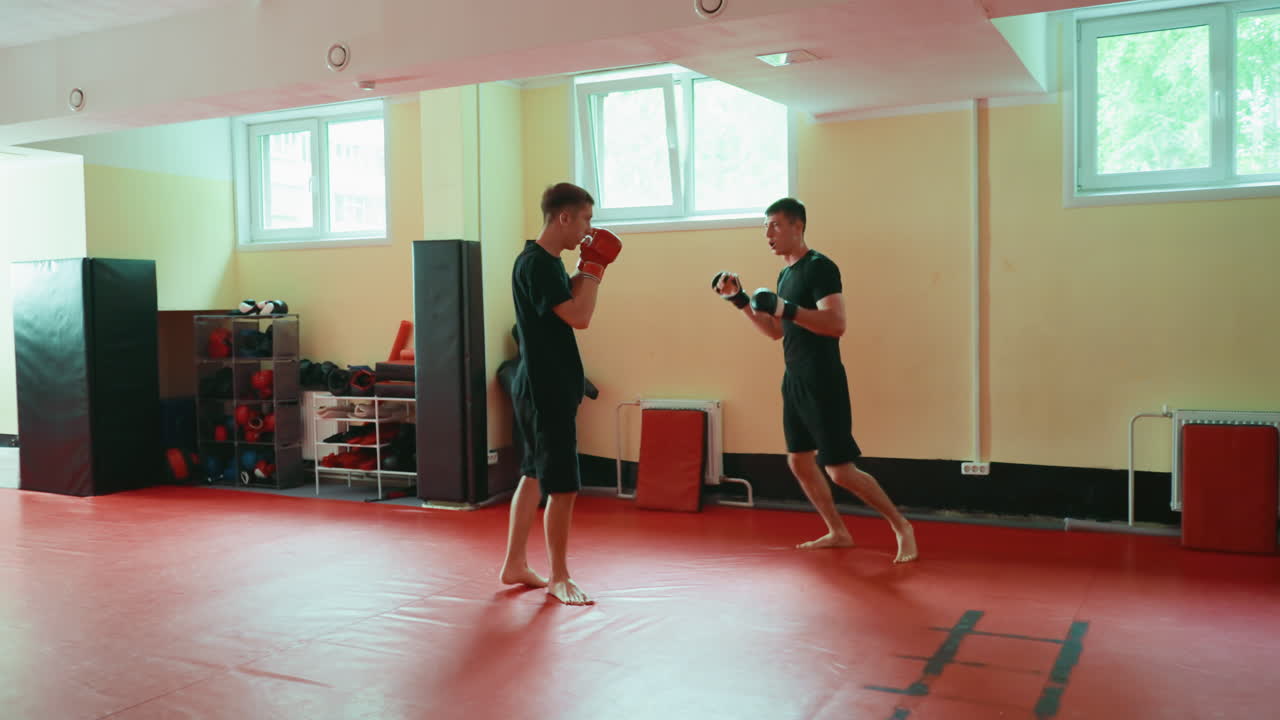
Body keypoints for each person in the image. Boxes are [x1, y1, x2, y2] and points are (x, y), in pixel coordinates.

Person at [712, 198, 918, 563]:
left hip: (823, 380)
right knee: (800, 462)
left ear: (798, 226)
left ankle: (902, 526)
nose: (768, 234)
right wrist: (740, 300)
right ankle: (838, 531)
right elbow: (777, 331)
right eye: (765, 228)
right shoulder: (785, 275)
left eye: (775, 225)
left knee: (839, 471)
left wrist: (785, 308)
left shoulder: (820, 268)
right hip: (794, 379)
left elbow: (835, 324)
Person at [499, 182, 622, 604]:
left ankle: (515, 564)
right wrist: (595, 270)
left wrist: (585, 268)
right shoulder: (536, 263)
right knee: (564, 487)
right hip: (545, 388)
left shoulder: (546, 263)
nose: (588, 230)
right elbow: (579, 315)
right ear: (564, 216)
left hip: (543, 384)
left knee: (534, 475)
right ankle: (559, 577)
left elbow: (565, 298)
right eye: (586, 219)